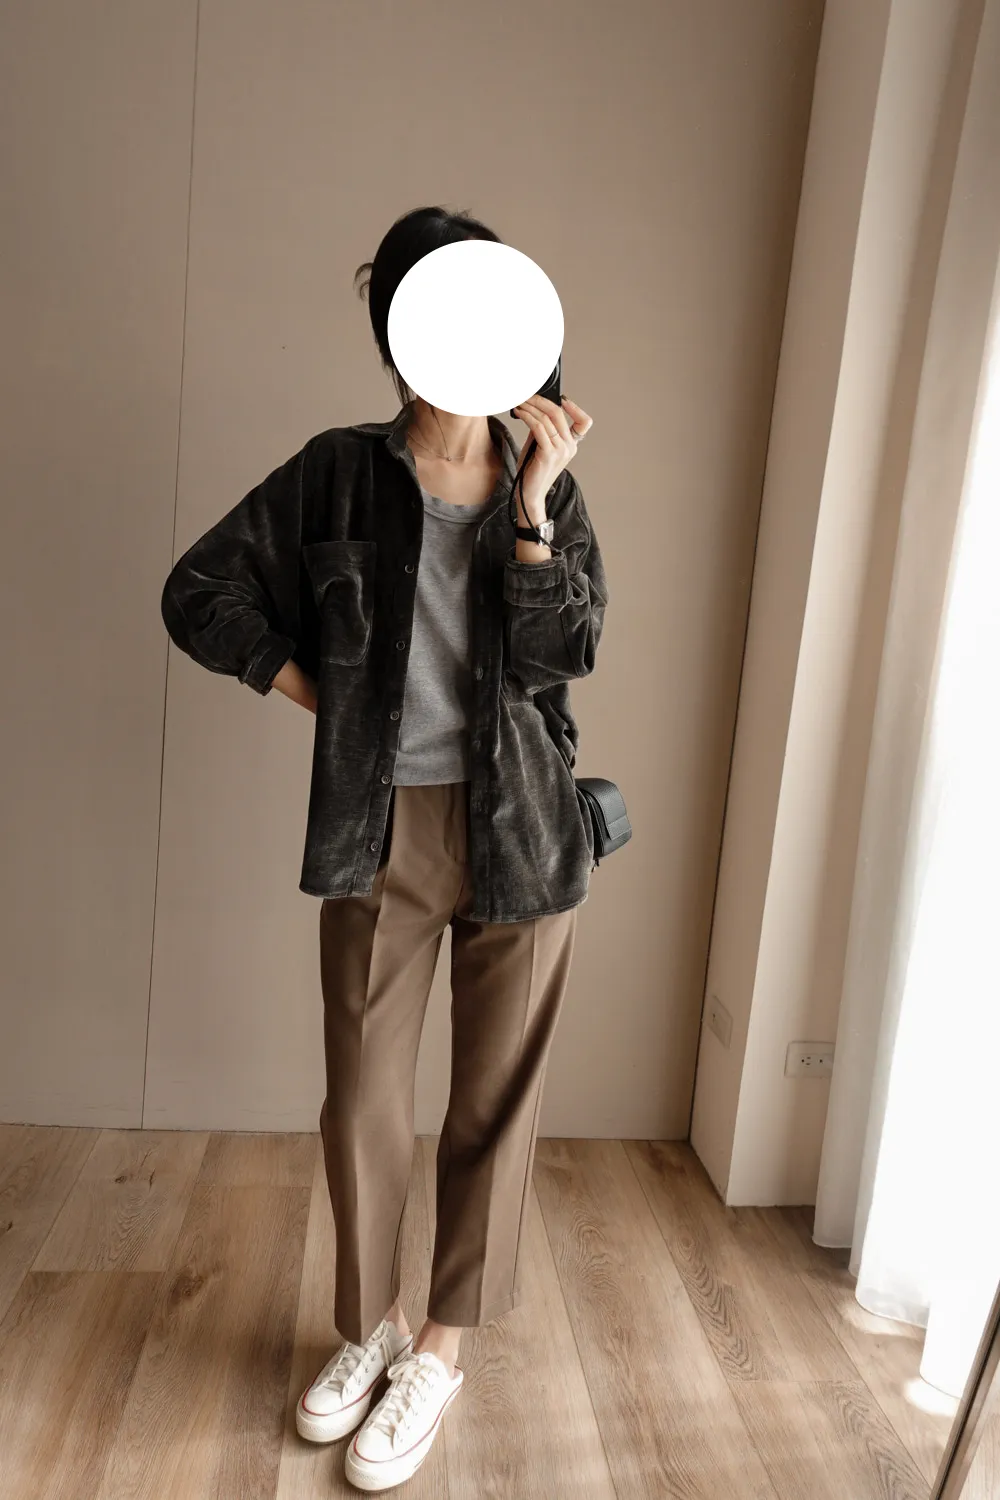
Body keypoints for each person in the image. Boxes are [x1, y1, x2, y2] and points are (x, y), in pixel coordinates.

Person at [160, 204, 607, 1492]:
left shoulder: (544, 488)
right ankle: (373, 1327)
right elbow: (201, 590)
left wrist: (535, 506)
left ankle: (443, 1352)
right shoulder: (337, 473)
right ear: (398, 330)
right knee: (362, 1103)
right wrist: (319, 693)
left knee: (492, 1108)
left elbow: (568, 652)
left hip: (523, 830)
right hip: (379, 826)